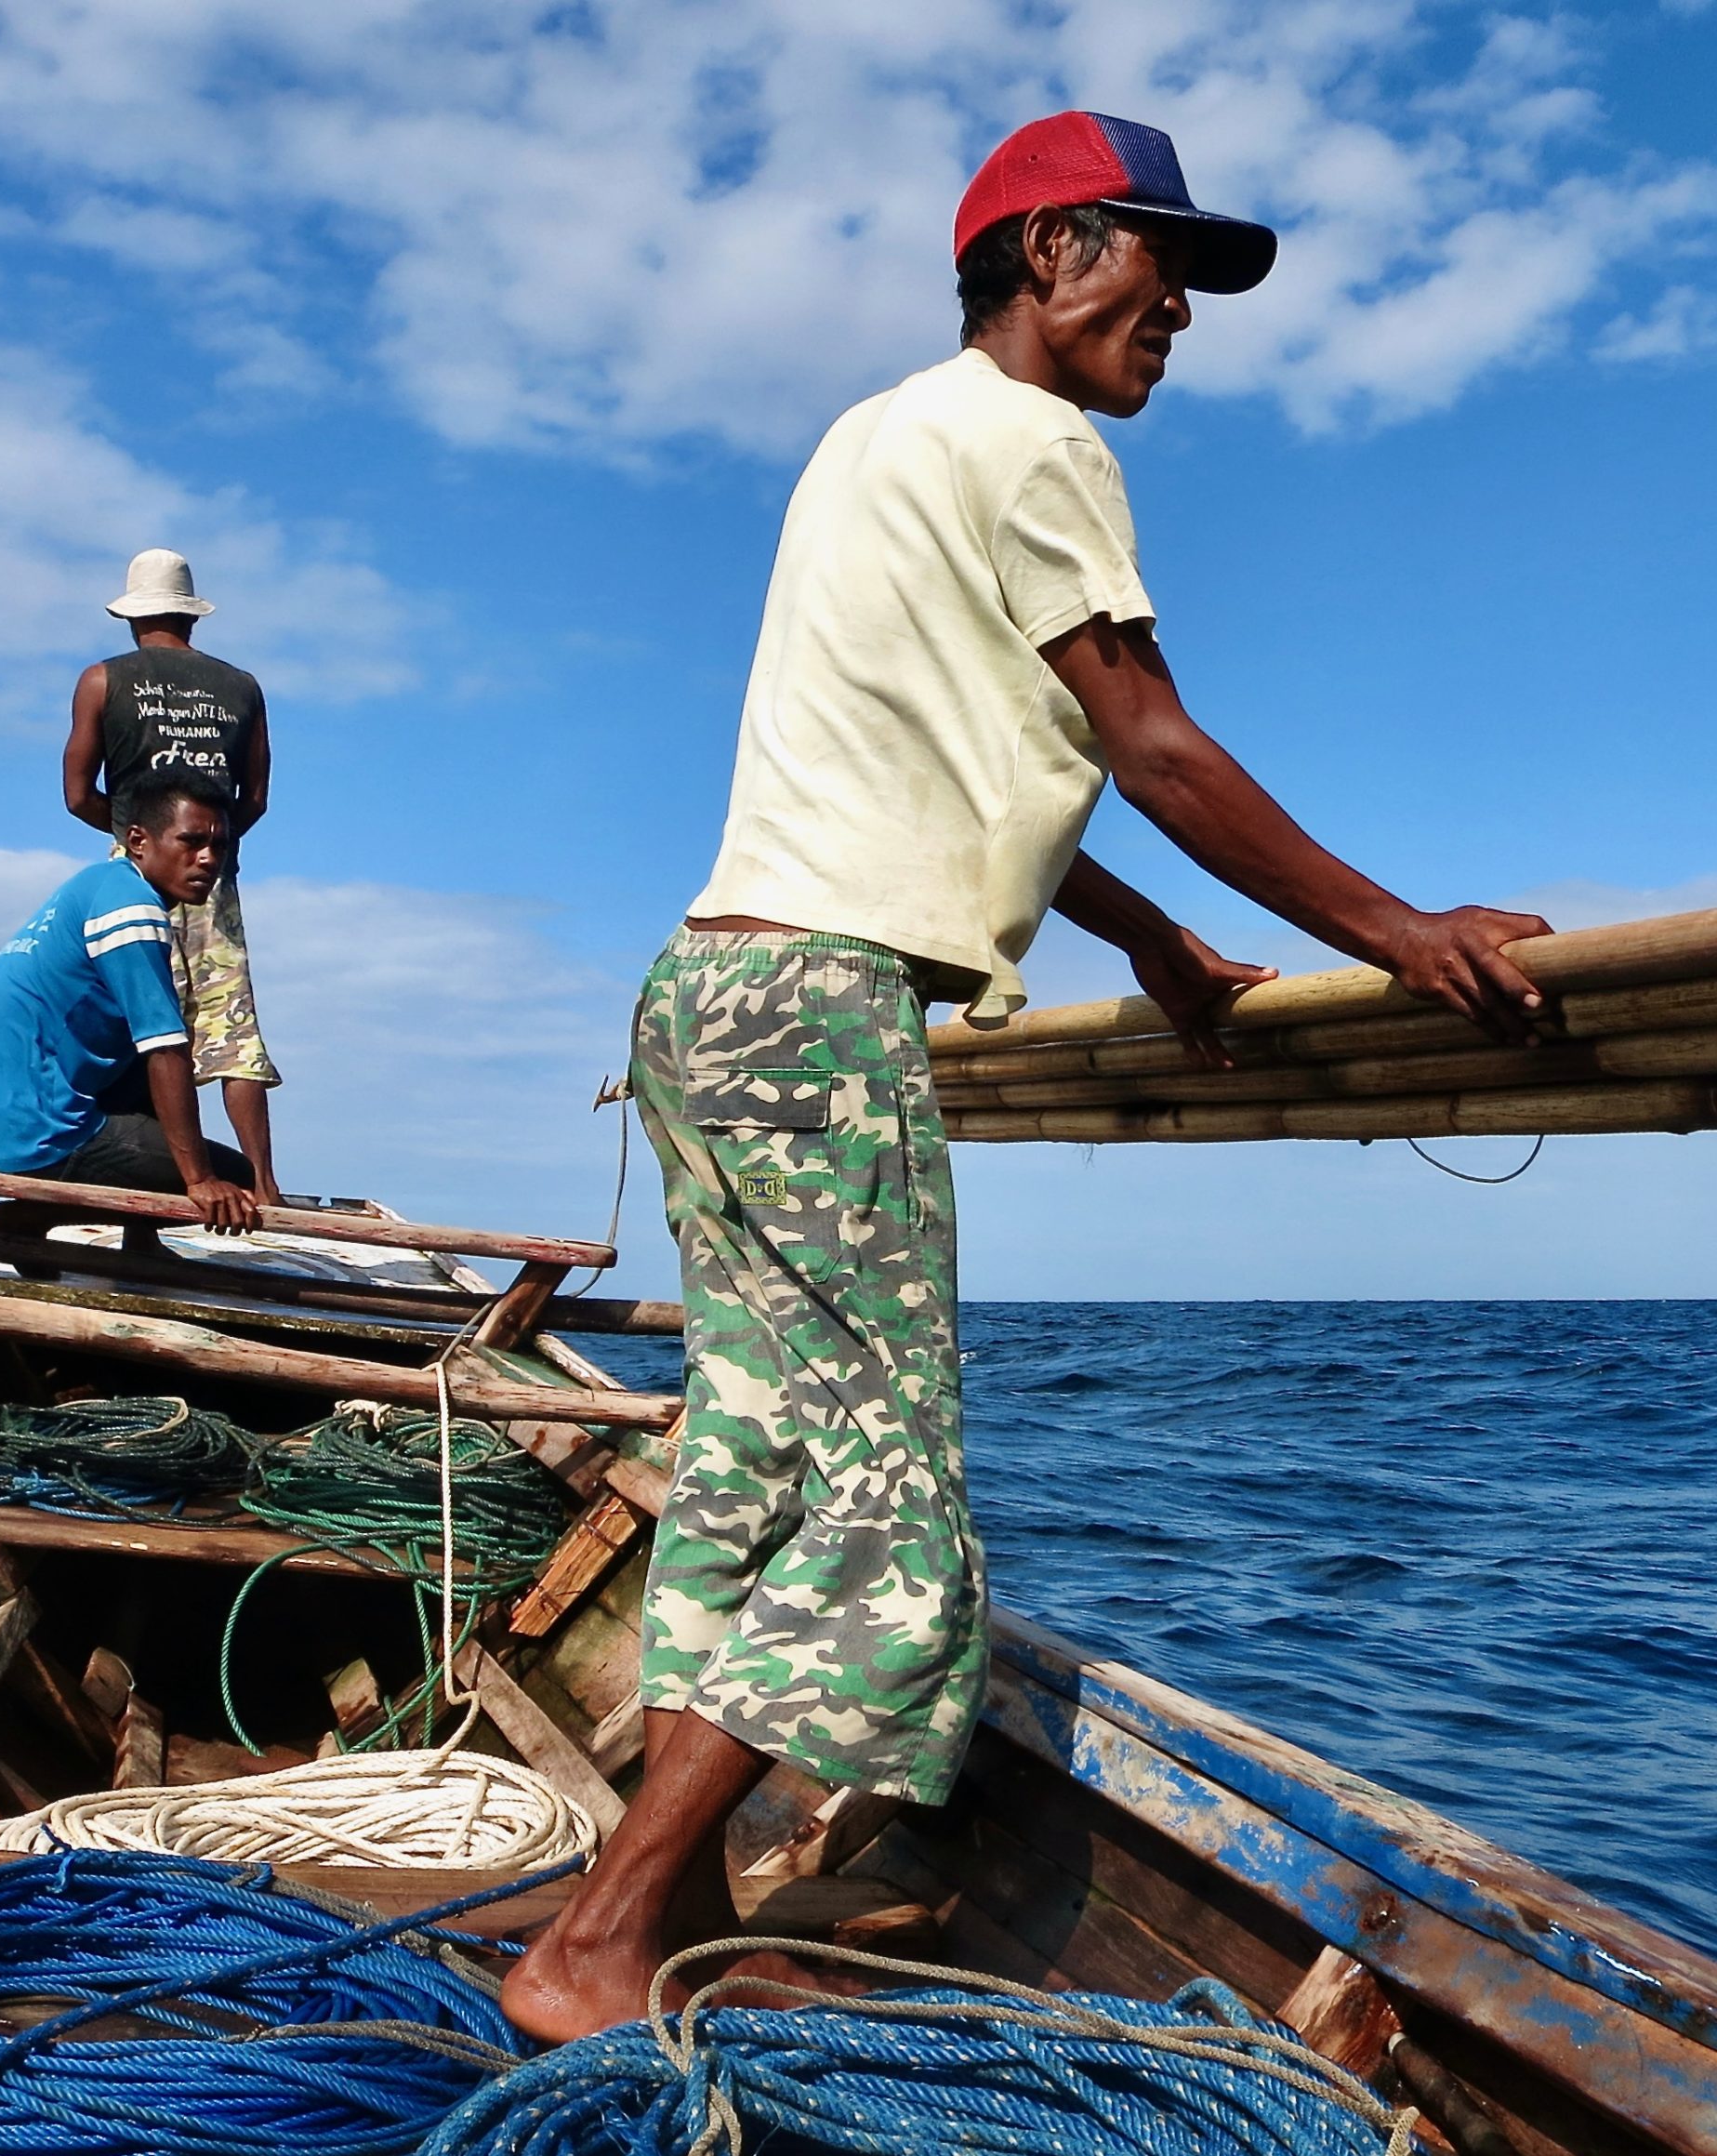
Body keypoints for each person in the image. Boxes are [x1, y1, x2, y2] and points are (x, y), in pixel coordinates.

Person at [501, 110, 1552, 2044]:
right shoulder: (1040, 442)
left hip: (707, 999)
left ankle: (643, 1915)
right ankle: (594, 1937)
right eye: (1157, 265)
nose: (1177, 314)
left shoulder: (877, 437)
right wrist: (1397, 932)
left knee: (744, 1472)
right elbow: (1149, 741)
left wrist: (1145, 941)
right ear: (1054, 249)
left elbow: (991, 764)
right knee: (882, 1514)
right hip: (821, 1020)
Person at [62, 548, 284, 1209]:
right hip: (215, 875)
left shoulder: (102, 680)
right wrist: (211, 845)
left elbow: (77, 794)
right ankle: (264, 1182)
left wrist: (143, 841)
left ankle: (146, 1176)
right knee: (230, 1026)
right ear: (191, 618)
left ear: (133, 616)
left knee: (141, 1020)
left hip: (134, 870)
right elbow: (257, 795)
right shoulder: (241, 686)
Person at [0, 785, 260, 1238]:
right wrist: (200, 1181)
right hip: (38, 1130)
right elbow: (165, 1049)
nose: (209, 859)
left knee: (142, 1061)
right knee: (234, 1174)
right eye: (191, 842)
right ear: (138, 841)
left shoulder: (96, 884)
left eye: (219, 845)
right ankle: (29, 1217)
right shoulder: (131, 912)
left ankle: (139, 1242)